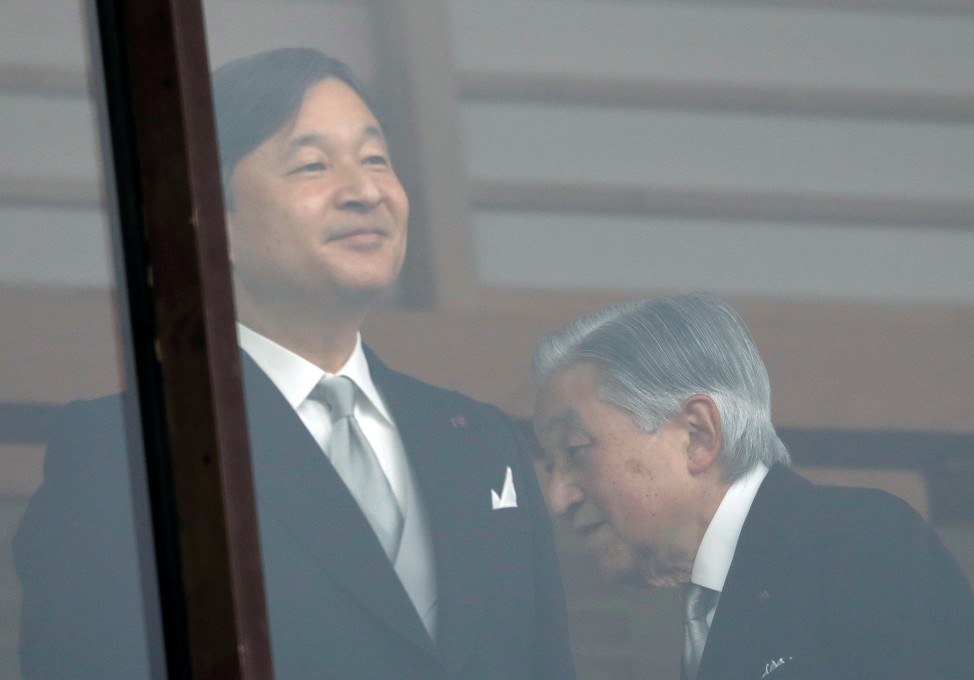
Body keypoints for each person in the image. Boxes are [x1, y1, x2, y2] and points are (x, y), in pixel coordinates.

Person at [14, 48, 574, 680]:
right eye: (312, 165)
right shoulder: (131, 452)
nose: (365, 192)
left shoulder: (482, 441)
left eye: (376, 160)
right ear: (210, 218)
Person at [532, 293, 974, 680]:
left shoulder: (861, 542)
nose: (557, 497)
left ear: (697, 435)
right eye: (549, 464)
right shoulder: (710, 600)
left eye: (575, 450)